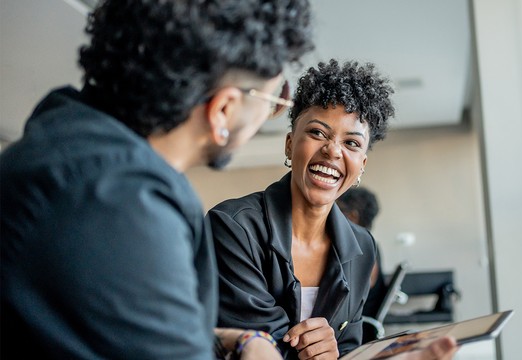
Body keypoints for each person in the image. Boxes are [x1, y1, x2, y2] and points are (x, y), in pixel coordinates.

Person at [1, 0, 313, 359]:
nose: (271, 114)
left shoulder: (74, 153)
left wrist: (239, 339)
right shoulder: (120, 199)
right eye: (275, 100)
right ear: (224, 109)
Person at [207, 59, 459, 360]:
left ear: (361, 165)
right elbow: (256, 346)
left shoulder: (362, 247)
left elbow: (348, 348)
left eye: (352, 143)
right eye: (317, 133)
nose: (333, 151)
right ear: (289, 145)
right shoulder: (234, 227)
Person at [337, 187, 388, 343]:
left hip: (353, 334)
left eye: (337, 211)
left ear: (352, 216)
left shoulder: (361, 248)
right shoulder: (368, 245)